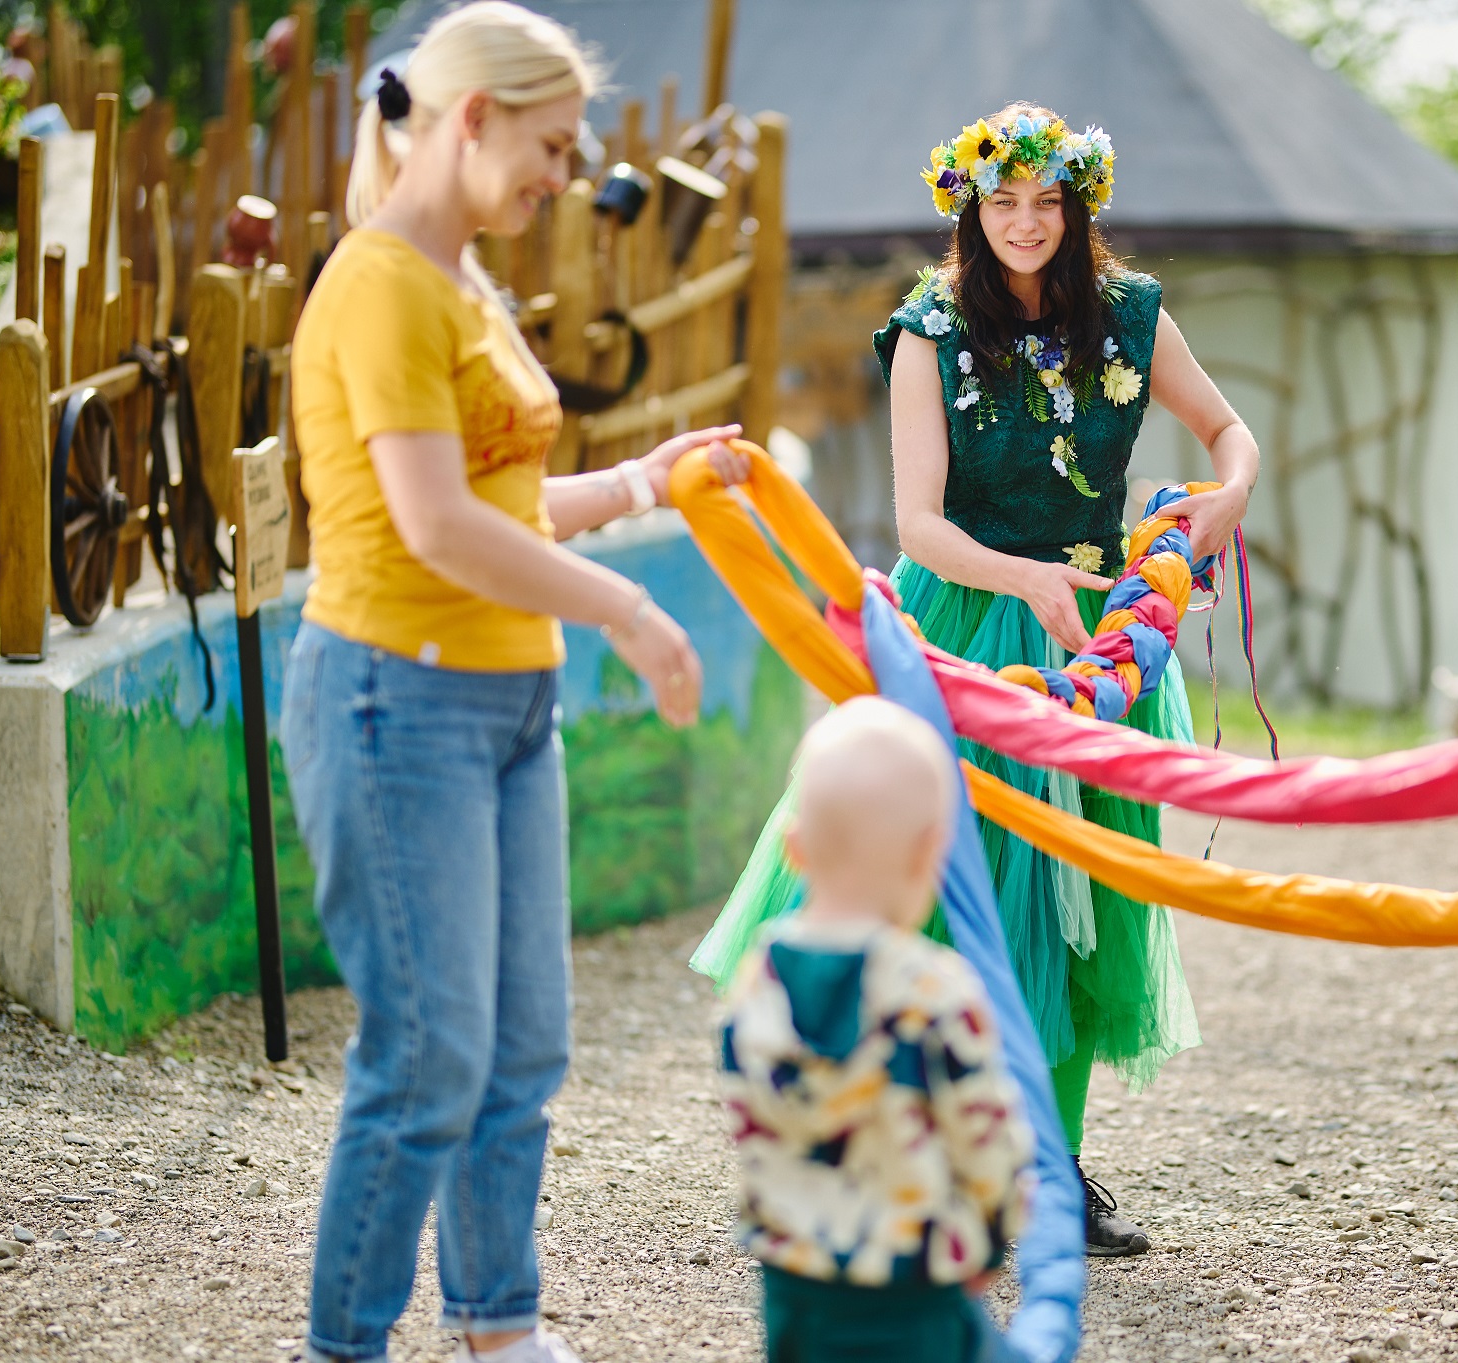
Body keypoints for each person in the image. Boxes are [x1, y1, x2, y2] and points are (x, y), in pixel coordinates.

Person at [694, 102, 1260, 1254]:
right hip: (968, 628)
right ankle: (922, 1147)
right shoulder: (928, 330)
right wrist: (1023, 578)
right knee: (958, 894)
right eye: (1000, 201)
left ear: (1078, 205)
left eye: (1046, 201)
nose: (1024, 223)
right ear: (968, 206)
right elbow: (914, 521)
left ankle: (1049, 1166)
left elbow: (1227, 433)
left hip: (1103, 643)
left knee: (1081, 916)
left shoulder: (1135, 316)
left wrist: (1225, 498)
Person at [283, 5, 749, 1361]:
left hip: (506, 705)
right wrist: (630, 611)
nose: (566, 173)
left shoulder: (468, 281)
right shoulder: (379, 283)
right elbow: (432, 524)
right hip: (392, 697)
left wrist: (645, 483)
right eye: (553, 143)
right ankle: (345, 1345)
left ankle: (499, 1327)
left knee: (522, 1054)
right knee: (425, 1062)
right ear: (474, 120)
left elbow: (500, 493)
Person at [718, 697, 1033, 1362]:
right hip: (913, 1288)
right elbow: (985, 1134)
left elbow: (747, 1118)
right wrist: (995, 1231)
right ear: (930, 853)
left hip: (794, 1286)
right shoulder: (935, 991)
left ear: (794, 847)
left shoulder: (755, 981)